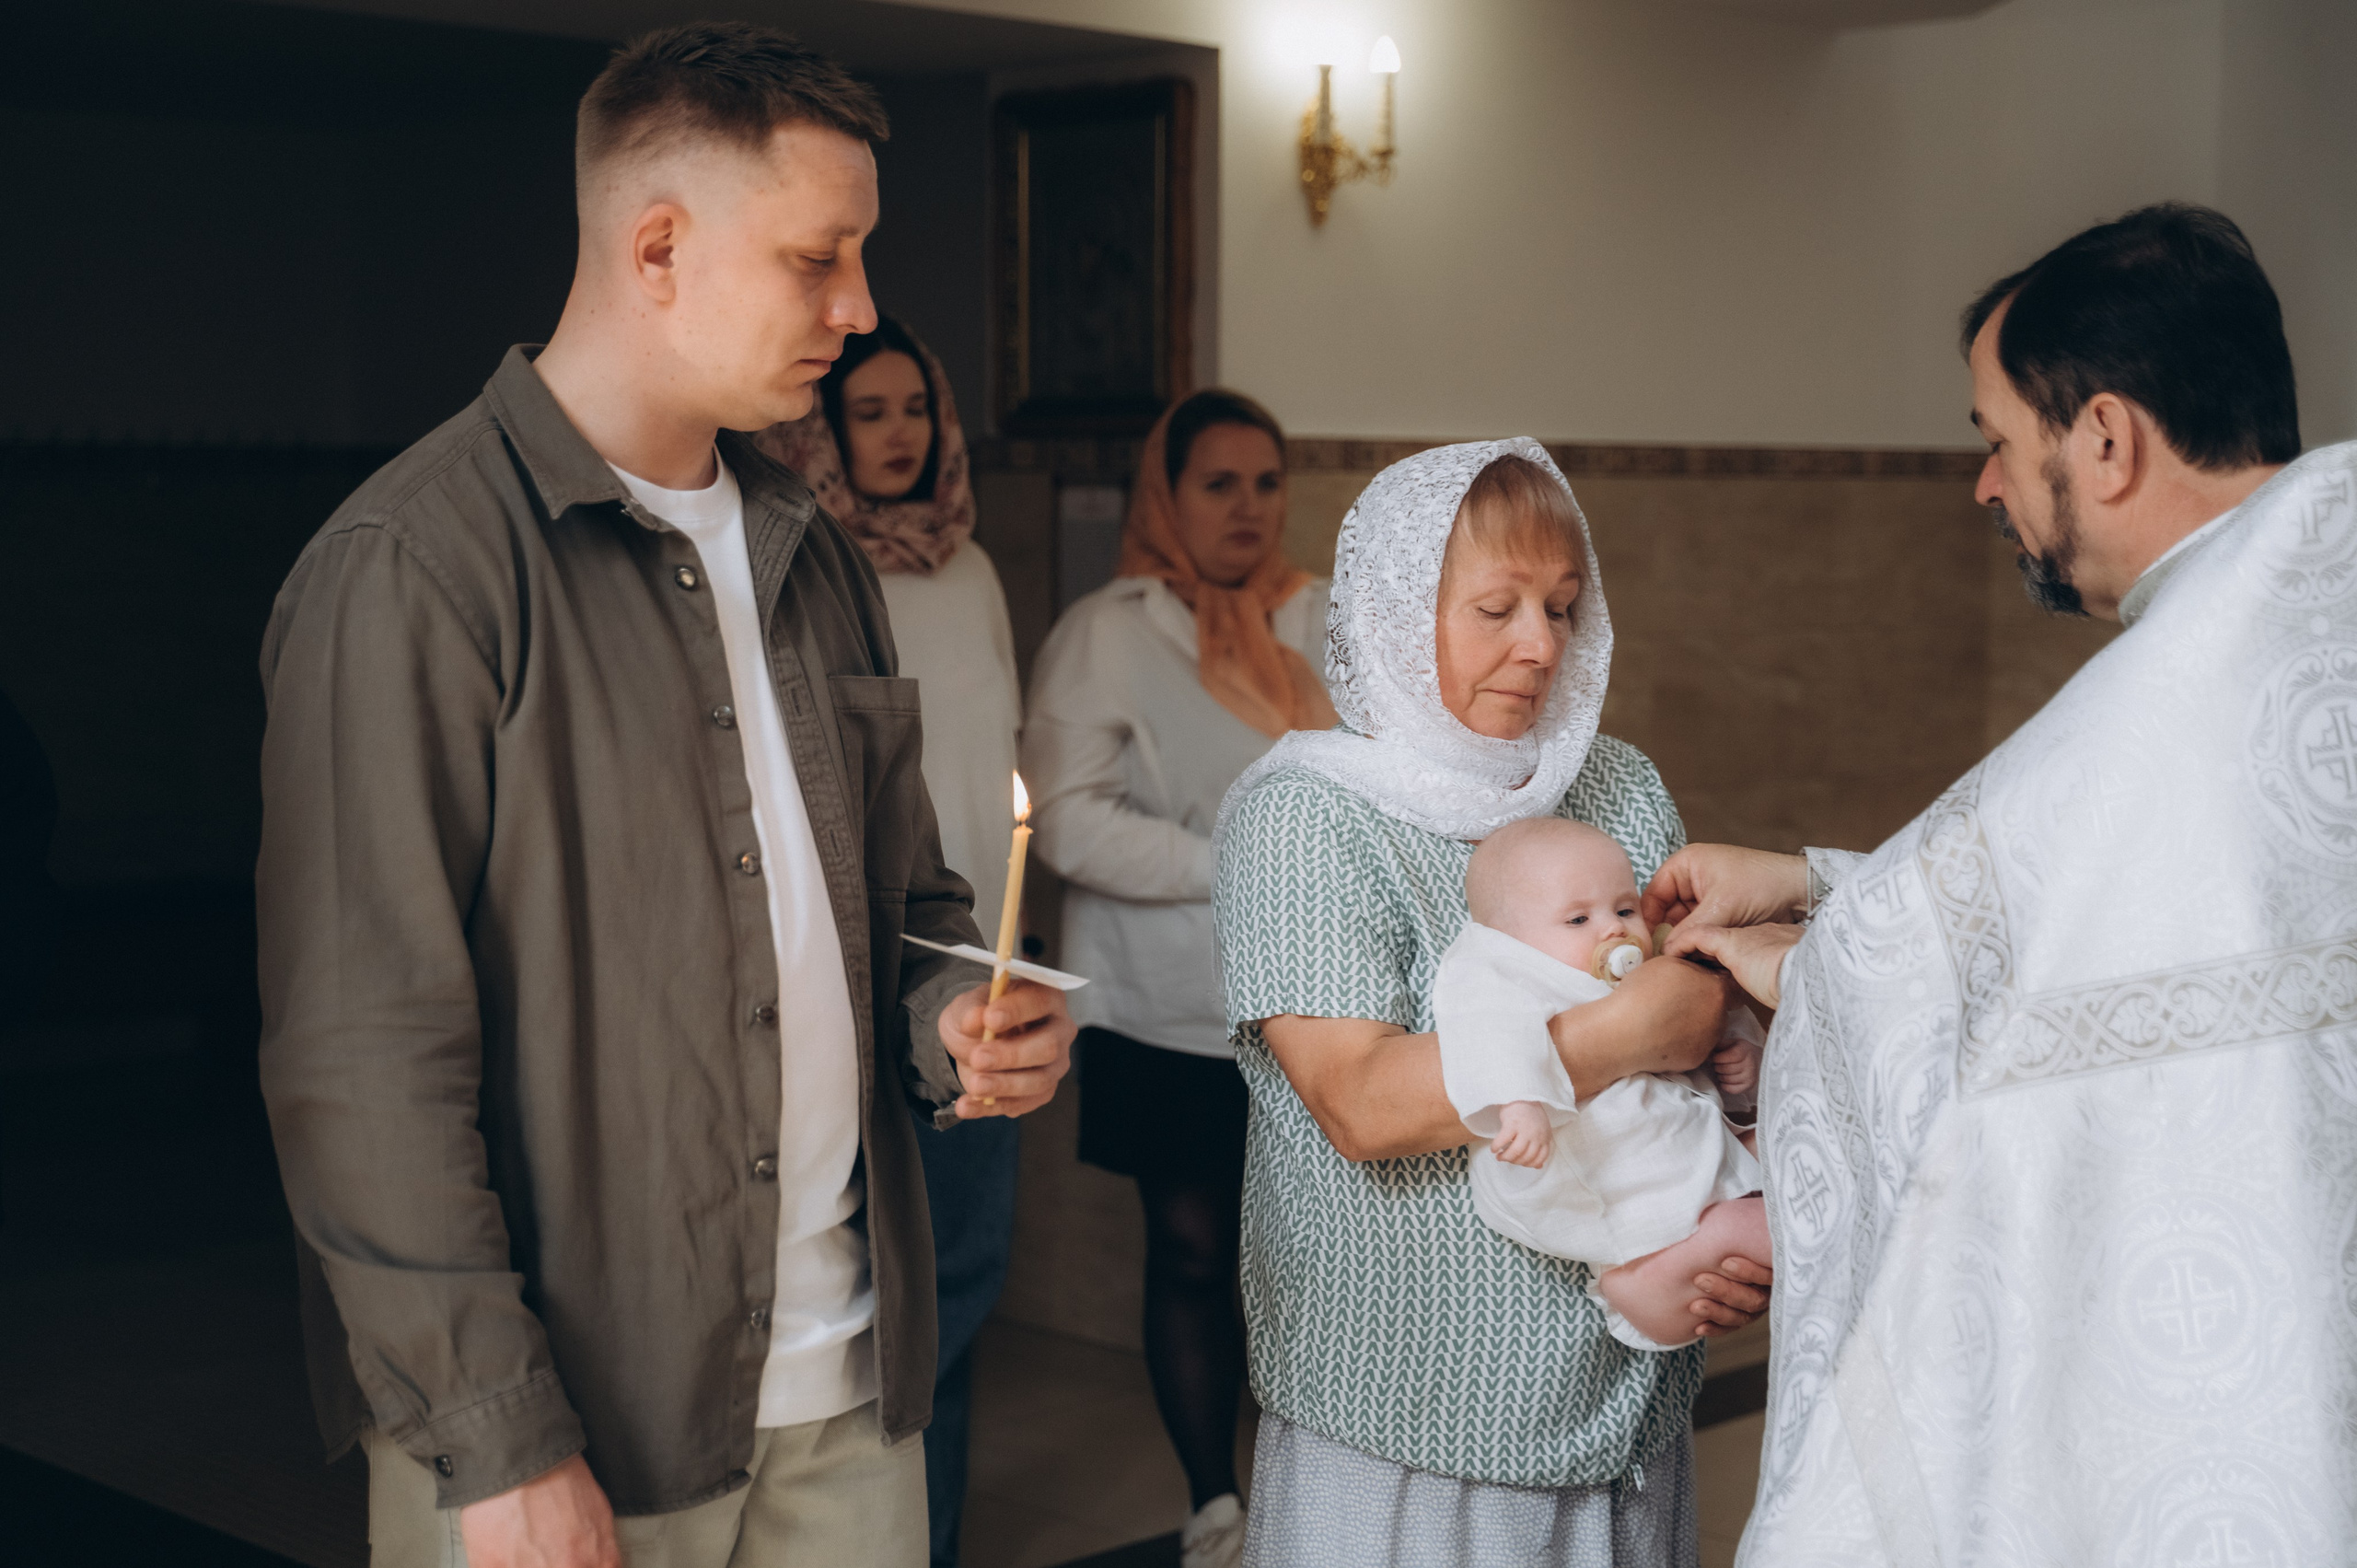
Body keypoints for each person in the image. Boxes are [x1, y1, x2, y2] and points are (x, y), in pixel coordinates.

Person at [254, 26, 1074, 1568]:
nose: (861, 308)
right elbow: (360, 1060)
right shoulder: (417, 569)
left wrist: (956, 1010)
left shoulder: (814, 554)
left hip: (847, 1400)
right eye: (818, 259)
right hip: (577, 1422)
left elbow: (906, 908)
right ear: (656, 248)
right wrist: (499, 1435)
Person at [1655, 203, 2355, 1562]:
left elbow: (1994, 971)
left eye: (1995, 440)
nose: (1984, 486)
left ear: (2103, 437)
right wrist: (1814, 878)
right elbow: (2134, 920)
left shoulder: (2168, 702)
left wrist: (1800, 962)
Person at [1213, 441, 1771, 1568]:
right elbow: (1360, 1103)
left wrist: (1722, 1220)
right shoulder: (1306, 817)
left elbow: (1700, 1025)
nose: (1541, 645)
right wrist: (1627, 1033)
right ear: (1390, 611)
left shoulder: (1615, 784)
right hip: (1409, 1412)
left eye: (1563, 607)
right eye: (1495, 608)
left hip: (1628, 1390)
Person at [1021, 389, 1336, 1568]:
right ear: (1168, 494)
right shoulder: (1110, 629)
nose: (1248, 508)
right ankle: (1217, 1501)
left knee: (1315, 1257)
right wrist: (1241, 864)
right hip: (1166, 1005)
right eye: (1219, 483)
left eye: (1266, 482)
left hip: (1317, 998)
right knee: (1197, 1248)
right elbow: (1064, 821)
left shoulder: (1323, 617)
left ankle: (1315, 1496)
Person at [753, 317, 1023, 1568]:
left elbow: (993, 760)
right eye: (872, 410)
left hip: (974, 967)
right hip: (864, 966)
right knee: (878, 1290)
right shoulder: (799, 567)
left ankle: (935, 1537)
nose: (902, 430)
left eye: (918, 406)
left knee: (960, 1284)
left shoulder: (969, 570)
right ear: (825, 426)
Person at [1436, 817, 1768, 1350]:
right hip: (1616, 1173)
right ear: (1508, 940)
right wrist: (1520, 1103)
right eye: (1577, 919)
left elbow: (1707, 1011)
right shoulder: (1503, 973)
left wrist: (1742, 1057)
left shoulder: (1643, 965)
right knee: (1789, 1226)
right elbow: (1486, 1030)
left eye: (1623, 909)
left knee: (1804, 1137)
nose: (1612, 930)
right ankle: (1643, 1277)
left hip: (1691, 1138)